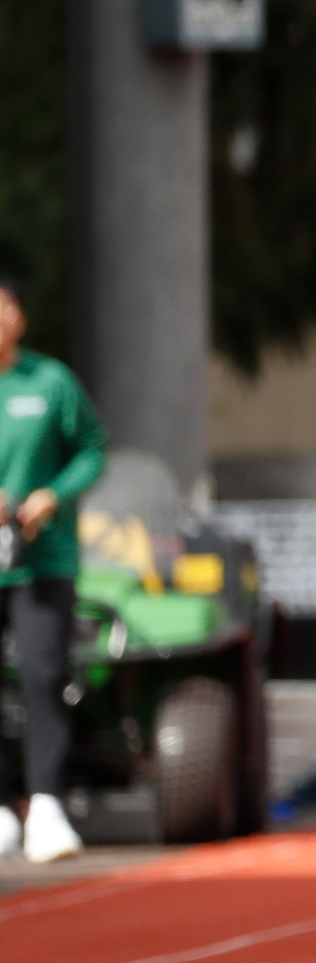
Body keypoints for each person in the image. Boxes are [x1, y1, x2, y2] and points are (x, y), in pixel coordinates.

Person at [0, 275, 107, 863]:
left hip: (41, 560)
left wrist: (50, 495)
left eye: (4, 309)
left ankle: (46, 804)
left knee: (42, 677)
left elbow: (92, 447)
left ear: (19, 317)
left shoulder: (51, 381)